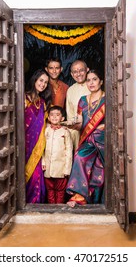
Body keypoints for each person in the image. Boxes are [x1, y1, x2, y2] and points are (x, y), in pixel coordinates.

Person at [66, 69, 105, 207]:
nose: (91, 83)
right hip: (87, 140)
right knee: (79, 157)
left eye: (94, 79)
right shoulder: (83, 101)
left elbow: (114, 122)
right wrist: (71, 125)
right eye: (88, 80)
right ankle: (79, 196)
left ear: (101, 81)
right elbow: (80, 123)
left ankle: (98, 202)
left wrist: (104, 126)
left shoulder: (108, 100)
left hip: (103, 141)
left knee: (100, 170)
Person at [24, 69, 52, 203]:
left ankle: (35, 205)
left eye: (46, 82)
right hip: (24, 145)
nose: (43, 84)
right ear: (34, 80)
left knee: (36, 177)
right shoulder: (24, 98)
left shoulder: (42, 103)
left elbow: (45, 126)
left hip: (37, 147)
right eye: (41, 80)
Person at [42, 105, 73, 204]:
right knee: (50, 191)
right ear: (48, 117)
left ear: (62, 118)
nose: (54, 117)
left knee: (60, 192)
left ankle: (60, 210)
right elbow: (41, 149)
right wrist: (43, 162)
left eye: (57, 115)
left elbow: (69, 151)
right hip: (48, 168)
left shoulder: (65, 132)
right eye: (52, 115)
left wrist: (67, 169)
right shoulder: (46, 131)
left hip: (61, 169)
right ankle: (52, 211)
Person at [66, 60, 90, 153]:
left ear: (87, 70)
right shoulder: (70, 90)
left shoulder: (93, 85)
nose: (78, 74)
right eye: (75, 72)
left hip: (93, 127)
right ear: (72, 74)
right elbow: (70, 114)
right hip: (77, 130)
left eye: (81, 70)